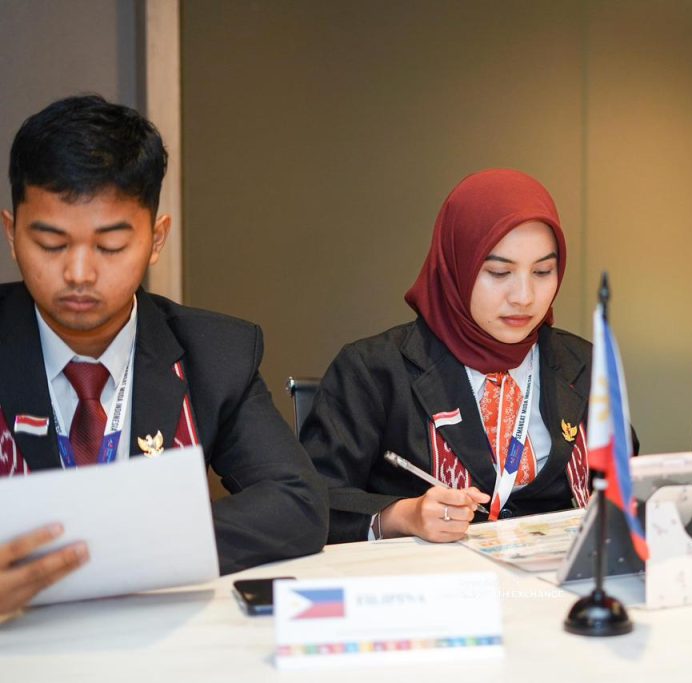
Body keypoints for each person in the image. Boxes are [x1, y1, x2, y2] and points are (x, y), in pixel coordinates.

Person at [0, 95, 328, 617]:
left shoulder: (215, 352)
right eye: (52, 243)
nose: (79, 273)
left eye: (109, 247)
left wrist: (128, 551)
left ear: (155, 240)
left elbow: (297, 501)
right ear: (12, 233)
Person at [302, 169, 596, 543]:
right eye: (499, 271)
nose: (524, 296)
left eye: (542, 271)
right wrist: (400, 516)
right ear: (457, 265)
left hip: (558, 586)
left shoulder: (582, 363)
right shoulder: (376, 370)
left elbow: (626, 485)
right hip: (430, 587)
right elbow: (310, 500)